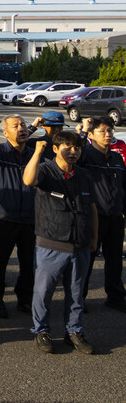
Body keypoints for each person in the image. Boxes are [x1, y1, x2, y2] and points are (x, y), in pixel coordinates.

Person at [23, 133, 98, 354]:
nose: (73, 151)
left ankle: (74, 331)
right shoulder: (46, 171)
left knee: (76, 294)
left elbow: (92, 207)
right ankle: (41, 331)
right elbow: (28, 180)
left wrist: (93, 238)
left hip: (80, 246)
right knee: (43, 292)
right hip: (51, 245)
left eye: (77, 147)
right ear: (55, 149)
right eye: (68, 146)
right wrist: (37, 152)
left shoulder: (84, 175)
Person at [0, 115, 36, 318]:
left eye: (23, 125)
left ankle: (25, 299)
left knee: (29, 263)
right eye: (15, 126)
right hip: (2, 216)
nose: (21, 128)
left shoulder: (34, 153)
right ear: (6, 132)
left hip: (29, 217)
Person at [78, 117, 126, 312]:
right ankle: (79, 298)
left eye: (110, 131)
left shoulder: (116, 158)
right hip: (94, 215)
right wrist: (83, 132)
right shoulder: (86, 156)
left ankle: (115, 296)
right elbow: (75, 158)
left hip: (115, 215)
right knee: (88, 258)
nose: (108, 135)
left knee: (114, 259)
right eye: (103, 131)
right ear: (91, 135)